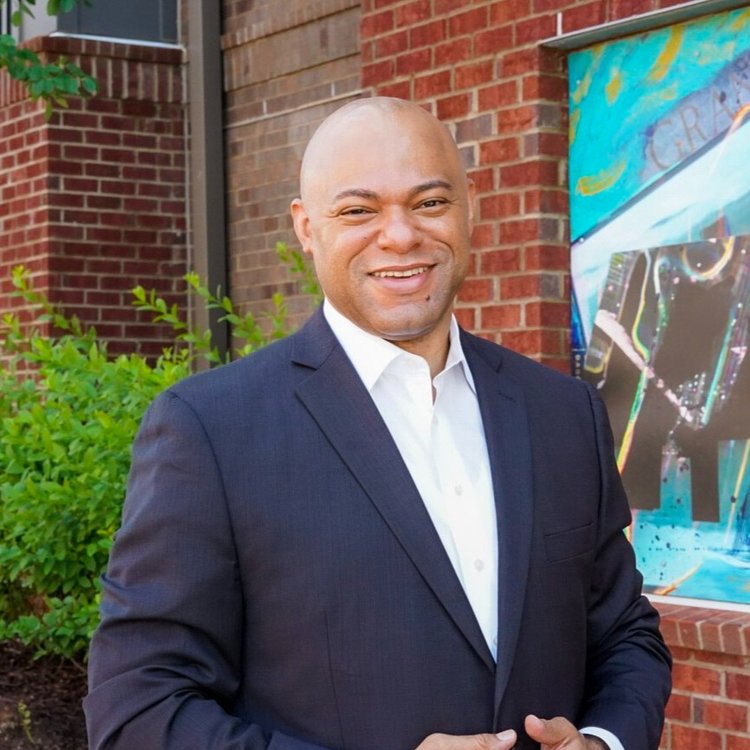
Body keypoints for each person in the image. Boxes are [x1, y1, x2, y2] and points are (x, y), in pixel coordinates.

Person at [84, 97, 671, 750]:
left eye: (428, 203)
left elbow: (623, 633)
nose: (399, 236)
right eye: (359, 210)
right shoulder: (211, 432)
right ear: (307, 228)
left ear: (467, 208)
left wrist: (602, 741)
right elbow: (137, 707)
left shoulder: (564, 414)